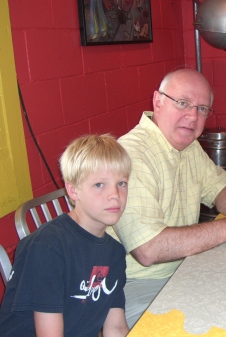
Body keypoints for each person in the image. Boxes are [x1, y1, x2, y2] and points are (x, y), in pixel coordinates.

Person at [107, 68, 226, 328]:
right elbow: (148, 250)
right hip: (133, 285)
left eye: (202, 109)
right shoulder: (130, 155)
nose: (192, 116)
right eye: (183, 103)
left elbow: (219, 187)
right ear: (157, 101)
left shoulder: (187, 145)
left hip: (185, 268)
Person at [0, 134, 132, 336]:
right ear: (72, 190)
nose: (115, 194)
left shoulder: (114, 253)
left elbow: (115, 327)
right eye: (99, 184)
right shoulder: (47, 247)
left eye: (121, 183)